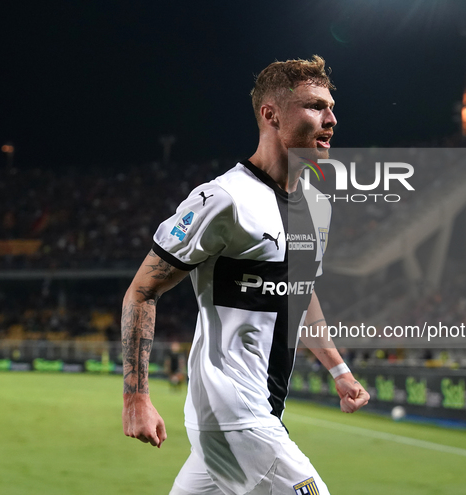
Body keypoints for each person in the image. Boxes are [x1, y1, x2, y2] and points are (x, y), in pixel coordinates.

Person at [121, 55, 370, 495]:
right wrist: (136, 396)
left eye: (331, 106)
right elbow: (142, 291)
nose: (331, 118)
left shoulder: (317, 206)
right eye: (315, 106)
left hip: (255, 414)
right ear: (270, 114)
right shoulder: (224, 200)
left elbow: (299, 294)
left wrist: (340, 370)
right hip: (234, 415)